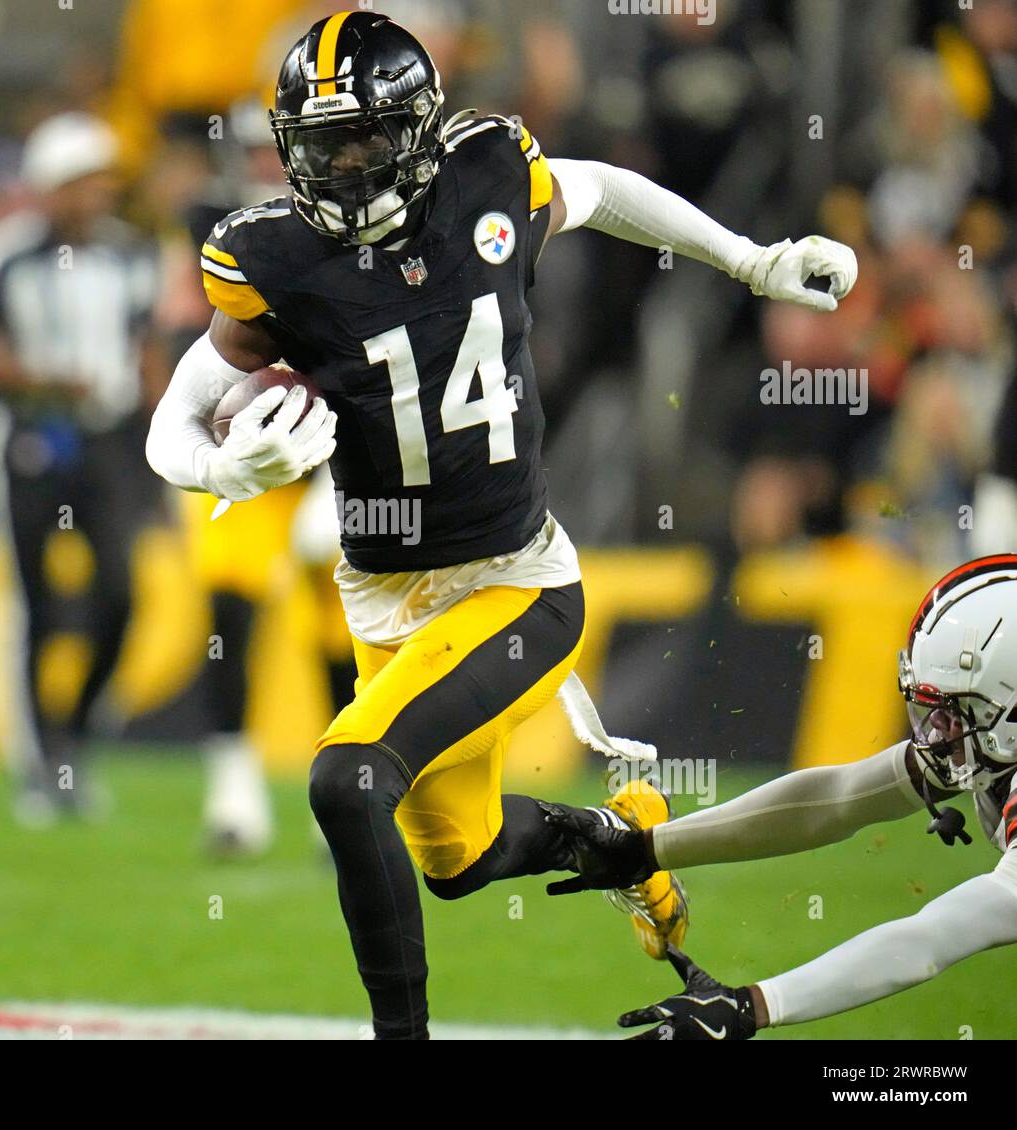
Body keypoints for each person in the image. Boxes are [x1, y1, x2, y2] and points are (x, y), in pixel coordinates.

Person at [146, 10, 857, 1039]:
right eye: (319, 145)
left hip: (514, 579)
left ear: (420, 131)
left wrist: (752, 262)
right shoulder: (275, 258)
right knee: (459, 859)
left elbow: (606, 191)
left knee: (347, 777)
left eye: (362, 141)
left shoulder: (486, 172)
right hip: (383, 589)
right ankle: (622, 841)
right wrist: (224, 465)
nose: (341, 170)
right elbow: (170, 422)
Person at [570, 555, 1017, 1040]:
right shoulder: (994, 741)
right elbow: (838, 800)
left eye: (955, 711)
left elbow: (933, 939)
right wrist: (647, 848)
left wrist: (751, 1007)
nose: (938, 729)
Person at [0, 112, 162, 822]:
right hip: (28, 438)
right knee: (33, 602)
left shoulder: (130, 254)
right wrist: (44, 381)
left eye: (104, 180)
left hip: (104, 441)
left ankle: (74, 732)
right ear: (49, 186)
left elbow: (148, 352)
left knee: (121, 594)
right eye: (84, 181)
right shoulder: (2, 254)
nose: (98, 194)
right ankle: (40, 762)